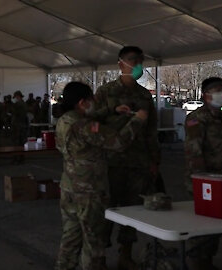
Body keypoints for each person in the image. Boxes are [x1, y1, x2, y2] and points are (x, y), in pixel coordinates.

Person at [55, 81, 147, 270]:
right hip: (89, 191)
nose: (94, 104)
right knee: (93, 241)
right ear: (82, 102)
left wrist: (113, 110)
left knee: (70, 239)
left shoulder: (65, 120)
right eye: (91, 100)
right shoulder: (85, 126)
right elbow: (118, 142)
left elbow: (90, 116)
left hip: (69, 188)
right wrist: (137, 120)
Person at [93, 46, 162, 269]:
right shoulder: (105, 93)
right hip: (110, 162)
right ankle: (100, 257)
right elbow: (93, 124)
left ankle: (125, 255)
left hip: (138, 162)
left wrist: (154, 161)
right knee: (107, 210)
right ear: (121, 63)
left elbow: (151, 130)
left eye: (141, 61)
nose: (138, 65)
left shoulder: (144, 95)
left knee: (133, 210)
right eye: (133, 60)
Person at [184, 77, 222, 270]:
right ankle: (197, 262)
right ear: (206, 95)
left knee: (216, 225)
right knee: (201, 225)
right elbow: (194, 152)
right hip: (204, 180)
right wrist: (204, 182)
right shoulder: (196, 118)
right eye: (218, 90)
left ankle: (208, 261)